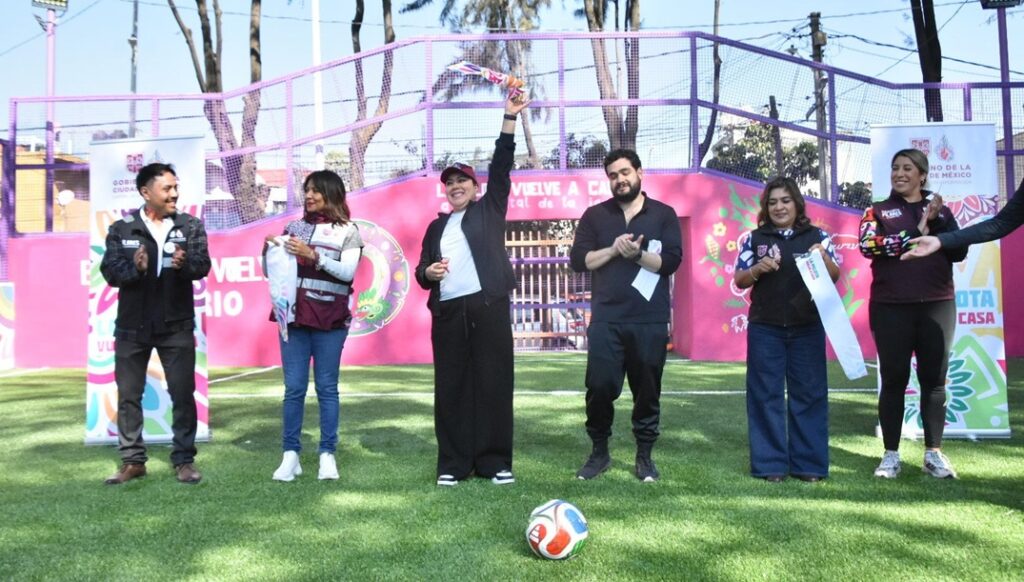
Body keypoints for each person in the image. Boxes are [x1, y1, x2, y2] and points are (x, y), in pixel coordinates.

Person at [414, 94, 530, 487]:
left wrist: (509, 118)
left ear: (476, 188)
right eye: (449, 183)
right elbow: (421, 272)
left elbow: (501, 168)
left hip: (488, 307)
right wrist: (429, 272)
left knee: (494, 383)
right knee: (451, 388)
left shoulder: (489, 210)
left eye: (462, 180)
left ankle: (495, 462)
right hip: (448, 313)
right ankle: (453, 463)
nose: (455, 186)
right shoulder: (436, 227)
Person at [569, 149, 682, 483]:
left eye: (624, 173)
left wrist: (637, 255)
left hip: (649, 320)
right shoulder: (595, 216)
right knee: (599, 386)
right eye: (613, 175)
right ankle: (599, 453)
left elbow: (671, 262)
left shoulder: (663, 214)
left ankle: (644, 456)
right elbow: (579, 260)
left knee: (647, 391)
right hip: (606, 319)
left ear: (639, 173)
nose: (619, 180)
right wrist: (614, 249)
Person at [859, 148, 967, 480]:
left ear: (922, 175)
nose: (899, 173)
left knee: (934, 381)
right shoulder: (876, 210)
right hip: (890, 307)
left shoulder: (941, 211)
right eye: (895, 168)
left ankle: (933, 454)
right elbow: (868, 245)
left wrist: (938, 220)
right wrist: (917, 231)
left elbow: (959, 251)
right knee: (894, 379)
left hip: (937, 304)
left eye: (908, 168)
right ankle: (891, 455)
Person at [100, 162, 211, 485]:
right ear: (146, 192)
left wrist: (185, 263)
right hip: (131, 327)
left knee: (183, 393)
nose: (174, 194)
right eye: (167, 188)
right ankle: (133, 461)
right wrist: (134, 269)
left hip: (176, 325)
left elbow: (203, 266)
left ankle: (184, 460)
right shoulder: (122, 229)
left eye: (176, 187)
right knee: (129, 395)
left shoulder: (190, 226)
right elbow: (110, 273)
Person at [733, 177, 839, 483]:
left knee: (810, 394)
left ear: (797, 204)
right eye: (773, 202)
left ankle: (809, 465)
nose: (779, 207)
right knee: (765, 395)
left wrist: (823, 257)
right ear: (766, 207)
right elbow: (740, 279)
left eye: (785, 200)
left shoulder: (818, 237)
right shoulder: (755, 239)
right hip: (765, 328)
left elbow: (834, 275)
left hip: (808, 327)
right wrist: (758, 268)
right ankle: (770, 465)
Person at [265, 170, 363, 482]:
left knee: (327, 388)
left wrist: (313, 256)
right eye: (307, 190)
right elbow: (272, 272)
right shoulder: (294, 228)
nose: (308, 196)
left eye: (315, 190)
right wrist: (268, 252)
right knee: (294, 388)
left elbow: (347, 273)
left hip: (331, 320)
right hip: (293, 318)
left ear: (332, 193)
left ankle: (327, 455)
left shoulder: (349, 230)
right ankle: (290, 455)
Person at [901, 176, 1024, 259]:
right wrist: (940, 240)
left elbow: (959, 254)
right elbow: (1001, 223)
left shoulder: (944, 212)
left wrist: (940, 236)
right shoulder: (892, 210)